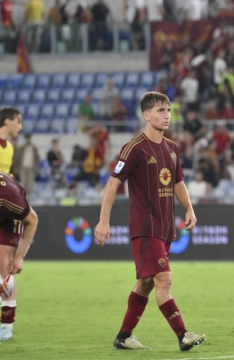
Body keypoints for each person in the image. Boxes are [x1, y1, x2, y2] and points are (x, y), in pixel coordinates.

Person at [94, 92, 206, 351]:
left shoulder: (172, 148)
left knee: (146, 282)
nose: (166, 115)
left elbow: (178, 182)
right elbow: (112, 183)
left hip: (165, 228)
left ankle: (123, 336)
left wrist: (189, 208)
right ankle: (183, 335)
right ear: (146, 115)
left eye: (168, 110)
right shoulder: (135, 148)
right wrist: (103, 221)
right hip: (145, 228)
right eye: (159, 111)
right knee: (164, 280)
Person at [0, 170, 39, 341]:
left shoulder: (13, 200)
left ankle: (6, 325)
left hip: (7, 217)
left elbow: (33, 220)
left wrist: (20, 256)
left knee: (4, 262)